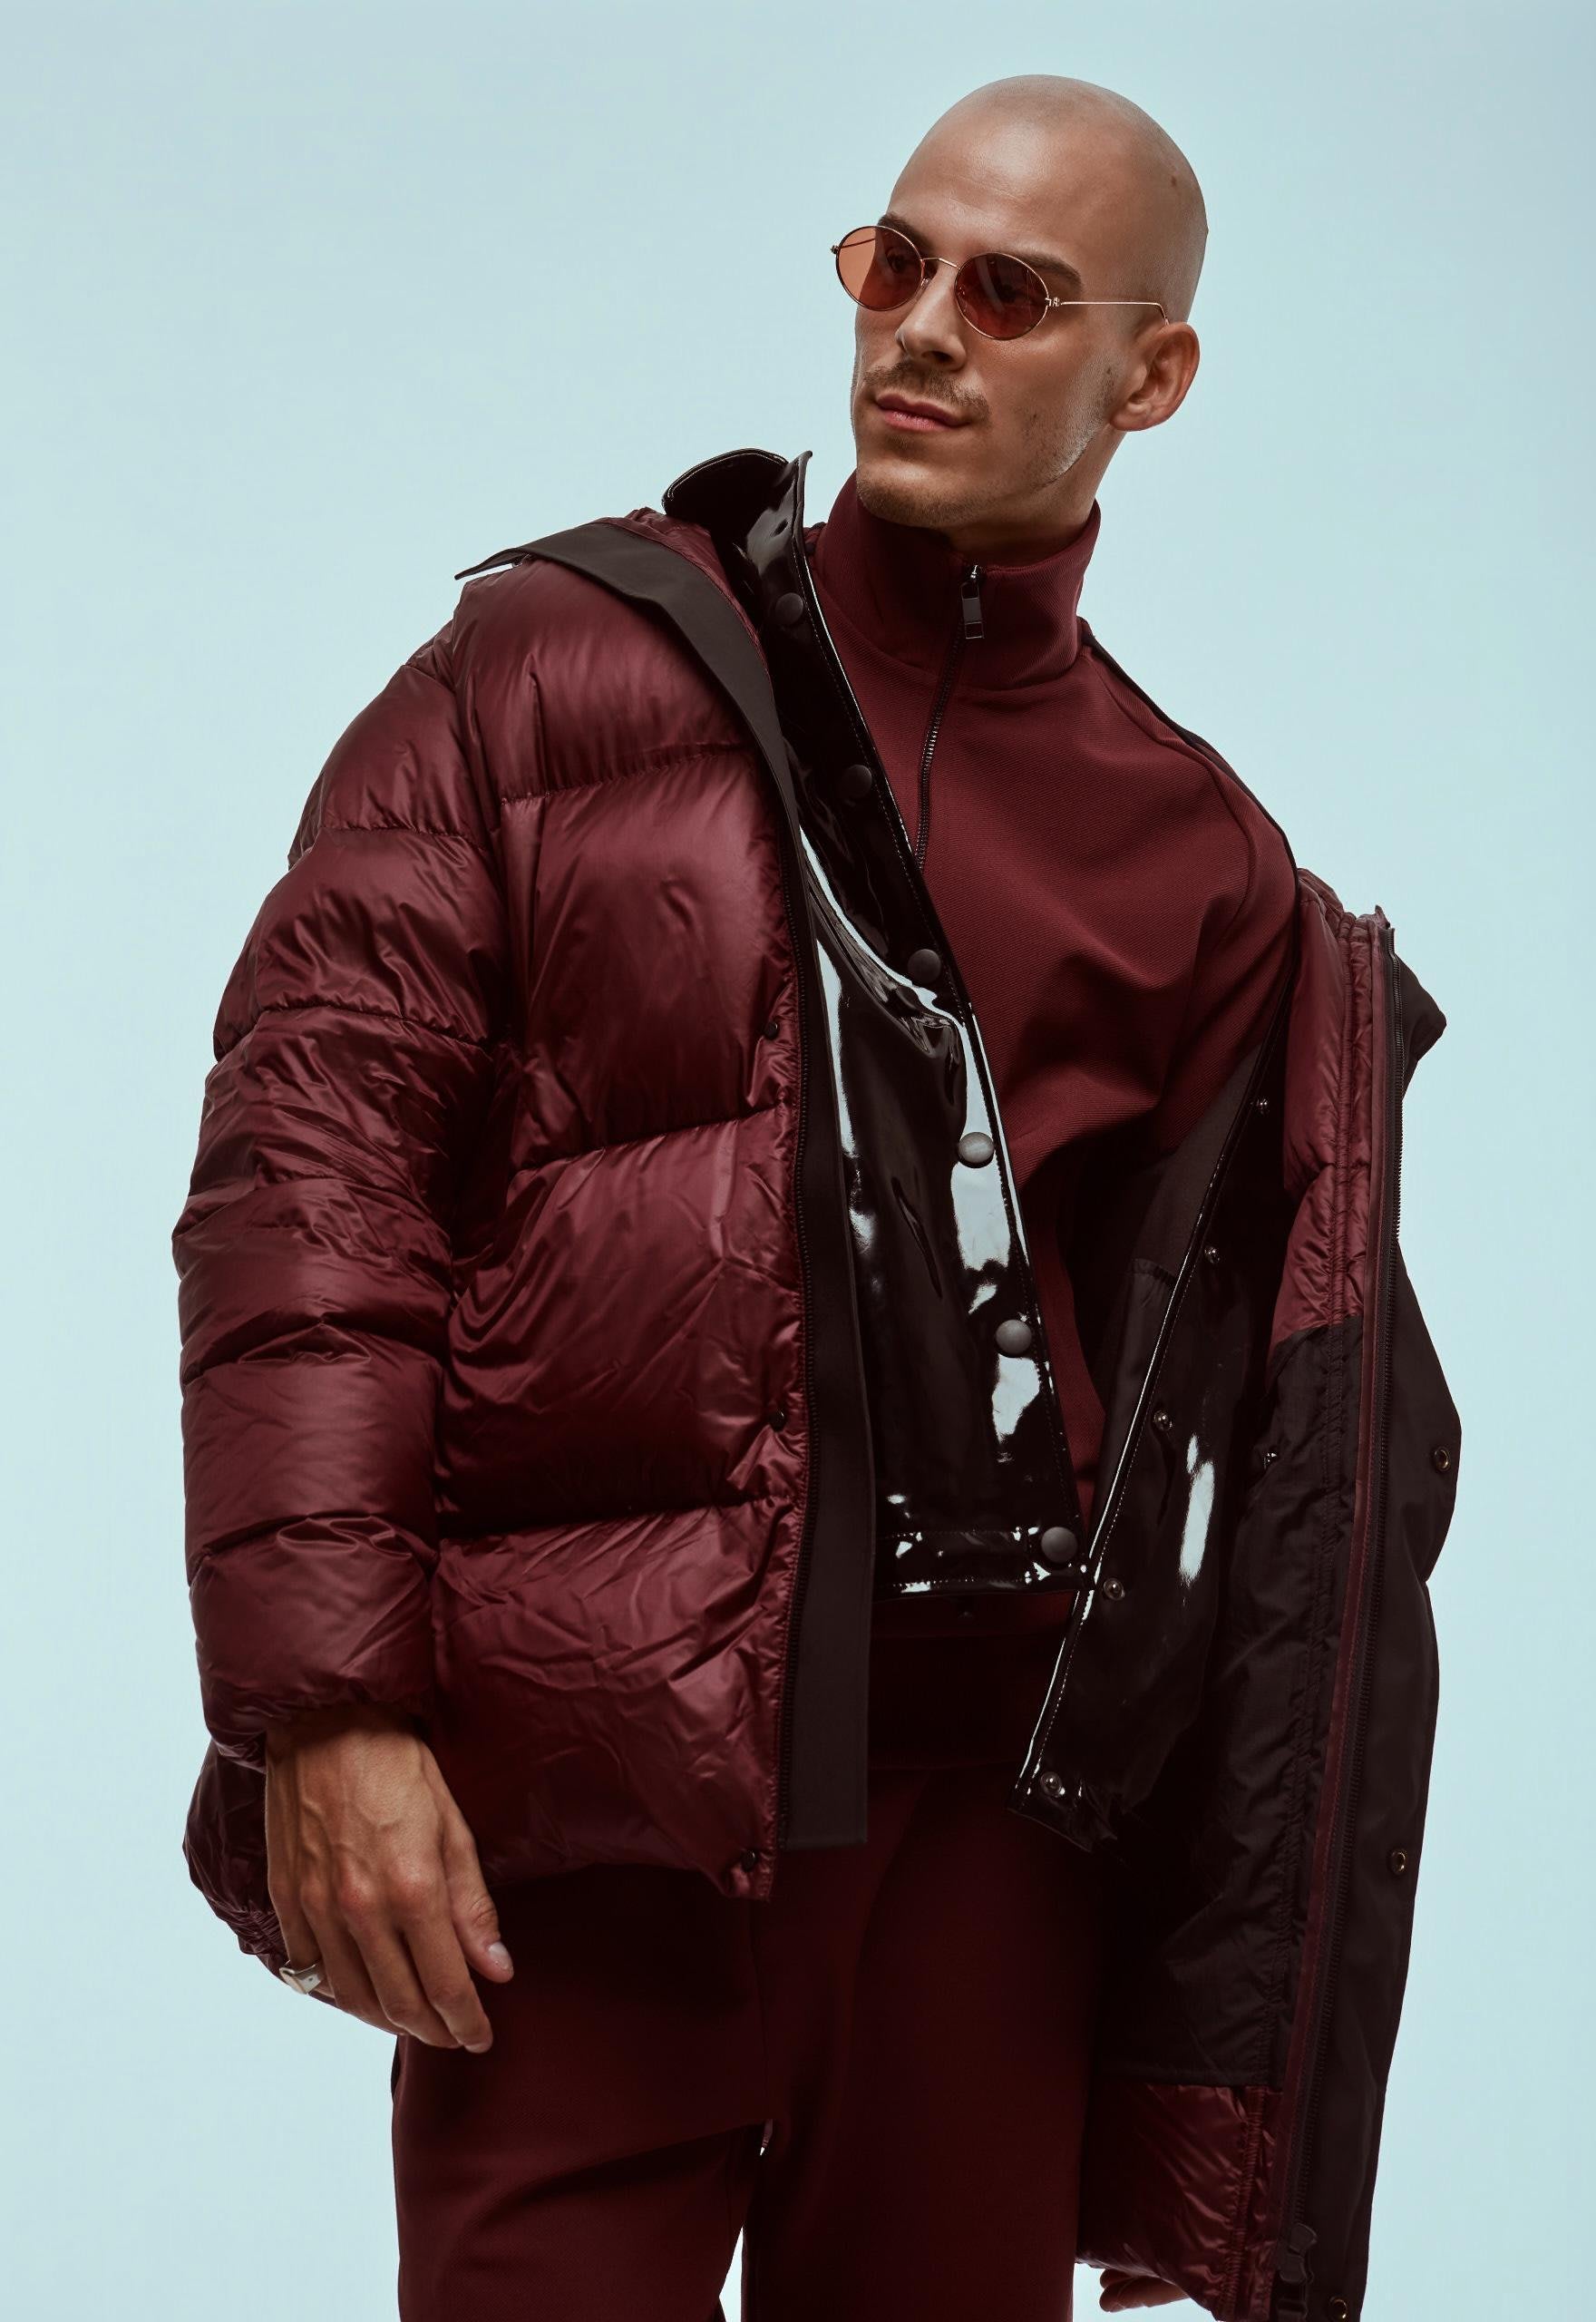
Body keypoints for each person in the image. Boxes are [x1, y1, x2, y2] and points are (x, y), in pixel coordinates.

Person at [173, 73, 1459, 2322]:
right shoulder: (547, 671)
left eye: (1011, 291)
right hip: (597, 1824)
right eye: (894, 261)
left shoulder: (1204, 857)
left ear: (1151, 374)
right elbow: (310, 1192)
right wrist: (328, 1704)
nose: (922, 328)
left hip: (985, 1871)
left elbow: (1236, 1433)